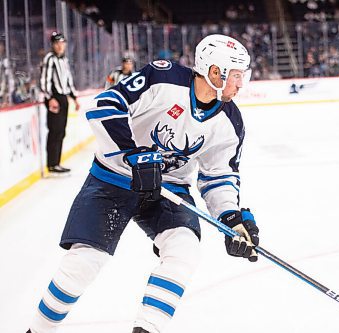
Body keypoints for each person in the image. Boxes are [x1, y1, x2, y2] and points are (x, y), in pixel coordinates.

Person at [27, 34, 259, 333]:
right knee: (85, 261)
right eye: (237, 75)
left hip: (169, 188)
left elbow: (219, 176)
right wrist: (132, 154)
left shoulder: (231, 121)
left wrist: (231, 217)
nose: (241, 84)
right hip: (113, 177)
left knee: (184, 248)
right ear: (215, 72)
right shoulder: (163, 77)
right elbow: (105, 105)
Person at [40, 32, 80, 173]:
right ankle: (52, 164)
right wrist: (49, 98)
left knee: (61, 131)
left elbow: (68, 80)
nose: (60, 46)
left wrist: (74, 97)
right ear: (52, 45)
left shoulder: (64, 60)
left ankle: (56, 162)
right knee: (54, 130)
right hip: (54, 97)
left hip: (63, 98)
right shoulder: (49, 59)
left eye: (62, 43)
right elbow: (44, 80)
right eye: (57, 43)